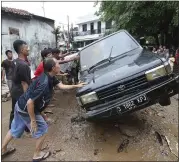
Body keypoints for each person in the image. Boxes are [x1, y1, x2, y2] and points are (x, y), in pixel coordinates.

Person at [1, 57, 86, 161]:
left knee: (14, 129)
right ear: (53, 68)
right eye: (58, 64)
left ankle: (3, 149)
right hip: (26, 108)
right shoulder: (44, 83)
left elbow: (62, 86)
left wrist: (77, 85)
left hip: (19, 105)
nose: (60, 65)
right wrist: (33, 120)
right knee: (43, 129)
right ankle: (37, 155)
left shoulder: (50, 76)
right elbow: (30, 102)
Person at [10, 40, 31, 132]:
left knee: (14, 110)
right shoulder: (23, 65)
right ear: (22, 50)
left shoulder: (15, 61)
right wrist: (27, 97)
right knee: (25, 110)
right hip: (20, 91)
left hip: (14, 89)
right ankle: (25, 128)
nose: (29, 49)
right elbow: (24, 83)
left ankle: (12, 128)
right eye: (27, 48)